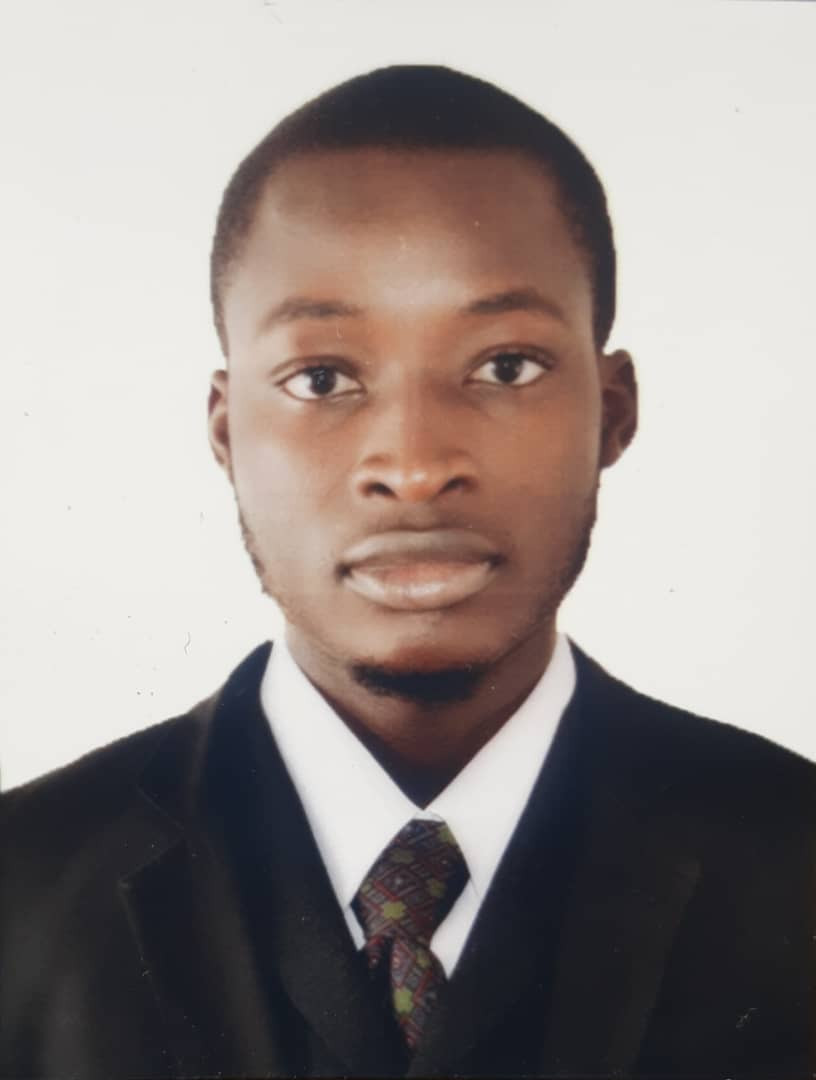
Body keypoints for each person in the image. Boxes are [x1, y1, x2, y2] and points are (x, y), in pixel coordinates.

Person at [1, 64, 814, 1080]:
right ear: (226, 430)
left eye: (506, 366)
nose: (417, 467)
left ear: (613, 412)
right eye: (323, 378)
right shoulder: (19, 893)